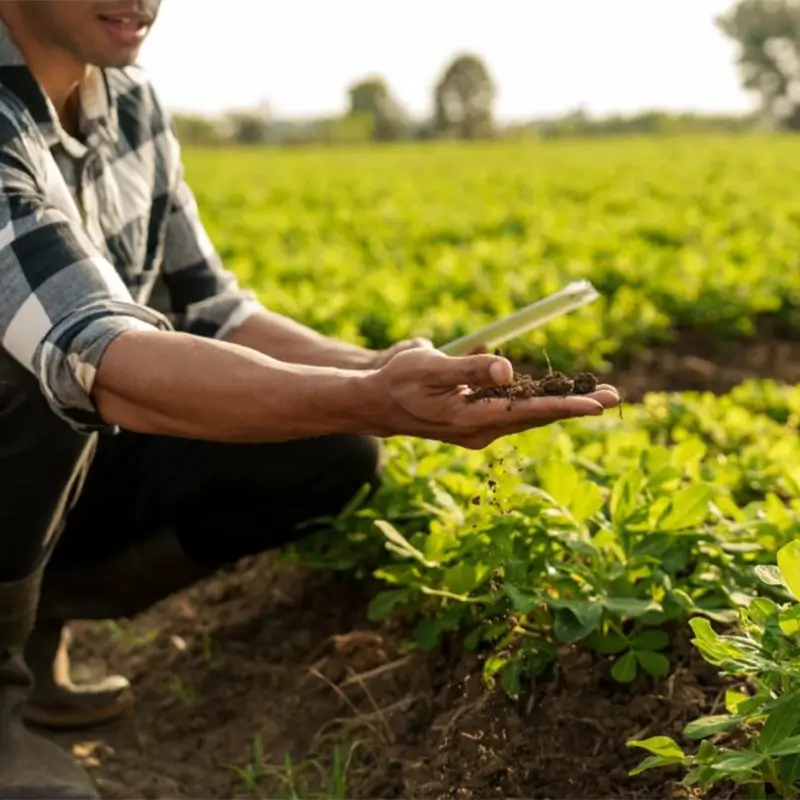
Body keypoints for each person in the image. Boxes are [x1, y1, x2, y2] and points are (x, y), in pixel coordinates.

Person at [0, 1, 620, 797]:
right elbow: (99, 355)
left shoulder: (128, 101)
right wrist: (369, 395)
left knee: (328, 449)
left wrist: (378, 372)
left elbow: (211, 308)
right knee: (32, 375)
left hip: (59, 461)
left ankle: (31, 620)